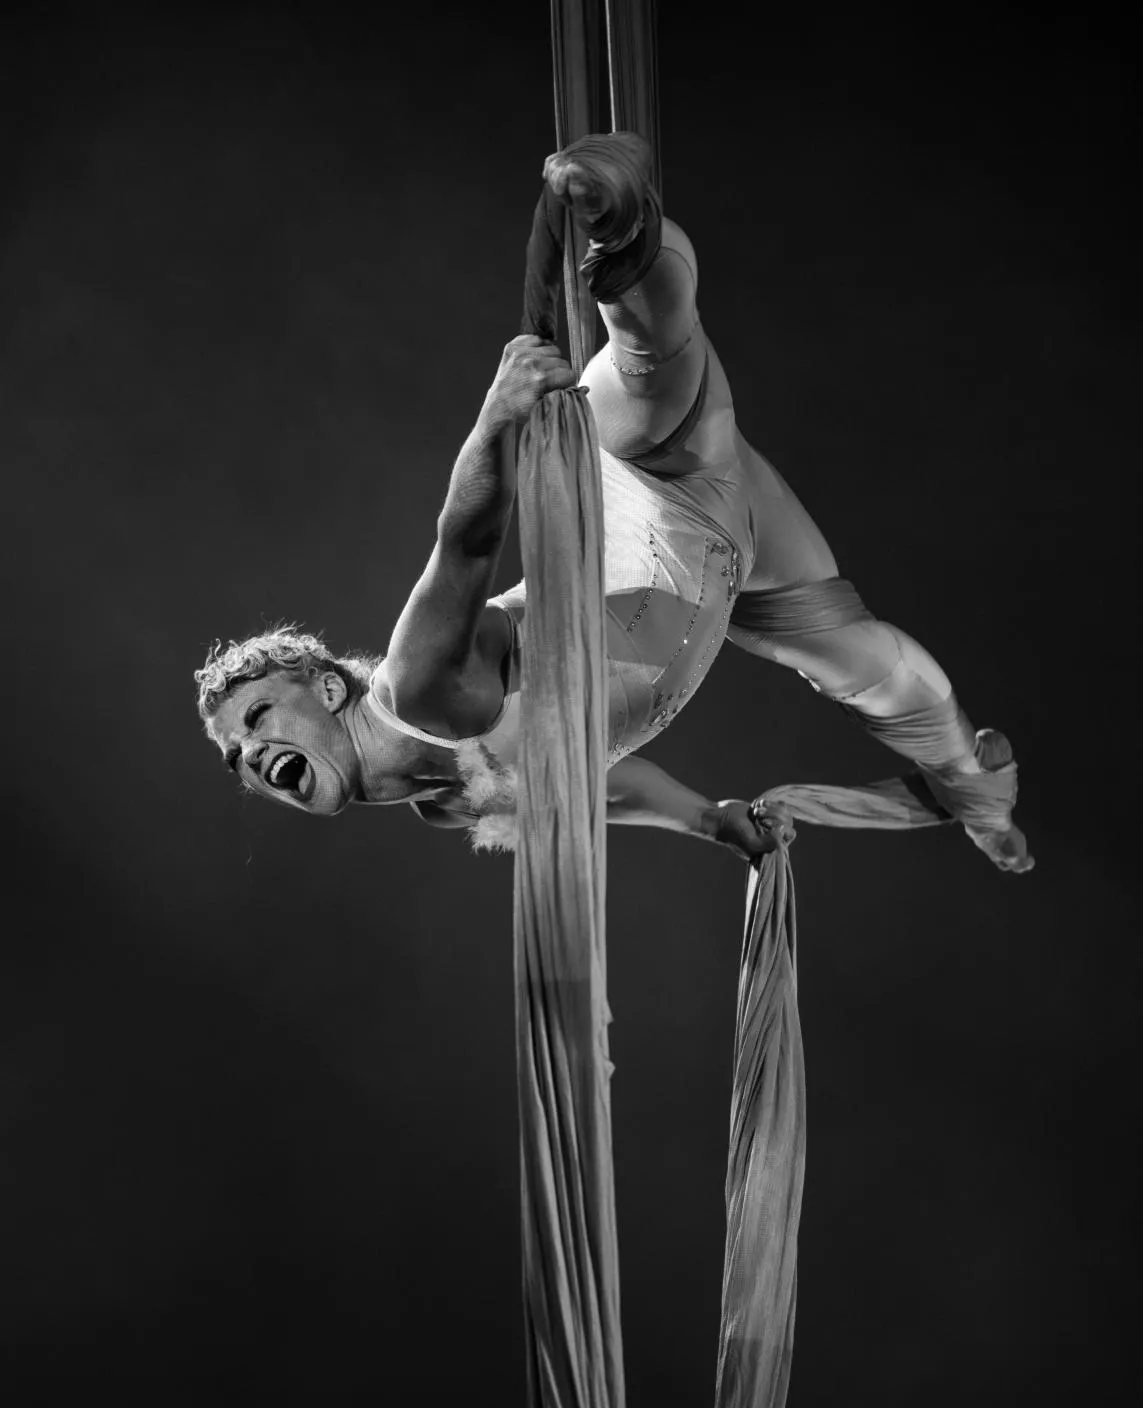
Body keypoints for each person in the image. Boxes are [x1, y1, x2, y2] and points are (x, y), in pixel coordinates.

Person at [197, 133, 1031, 871]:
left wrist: (497, 416)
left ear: (327, 690)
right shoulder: (446, 804)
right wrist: (707, 821)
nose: (248, 755)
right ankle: (980, 798)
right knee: (865, 666)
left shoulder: (416, 689)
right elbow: (601, 781)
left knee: (652, 356)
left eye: (255, 717)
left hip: (650, 485)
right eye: (235, 756)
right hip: (730, 568)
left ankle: (620, 224)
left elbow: (466, 540)